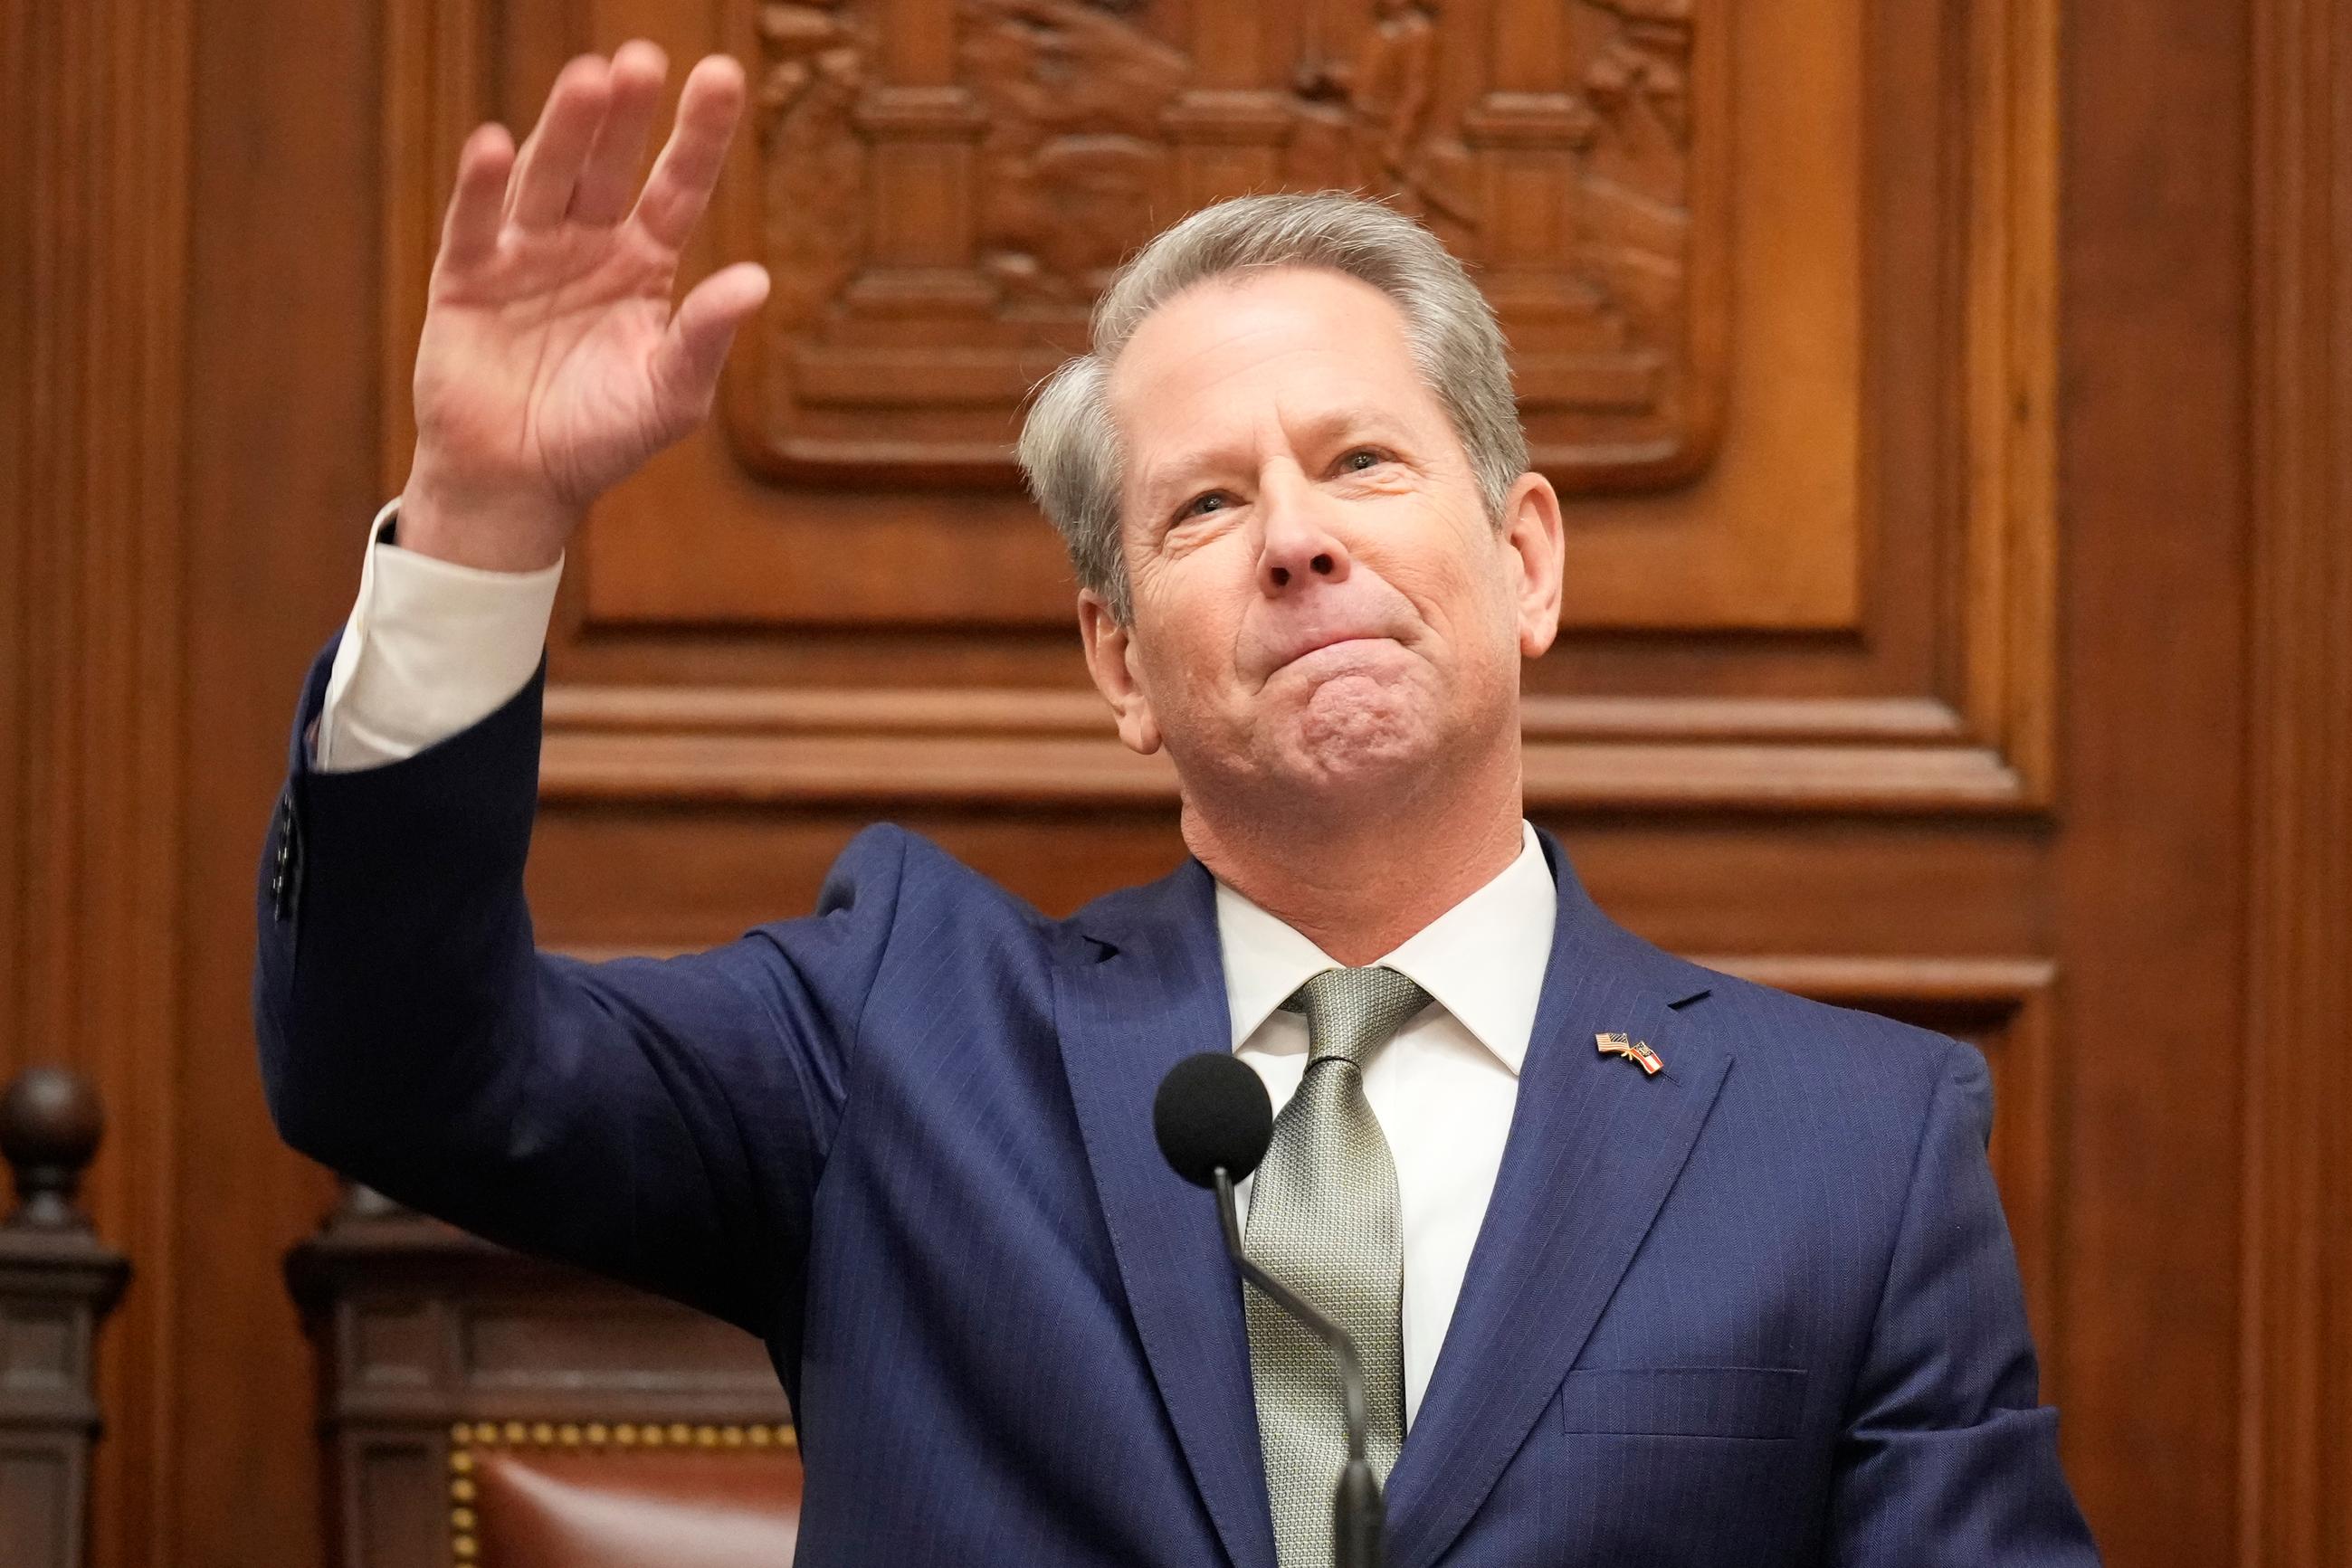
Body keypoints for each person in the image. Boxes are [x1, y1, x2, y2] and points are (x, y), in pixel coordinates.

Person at [253, 41, 2102, 1568]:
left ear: (1523, 559)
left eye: (1362, 463)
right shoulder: (898, 1040)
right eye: (1204, 507)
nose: (1295, 538)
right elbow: (403, 1071)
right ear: (1119, 663)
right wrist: (487, 525)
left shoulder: (1845, 1147)